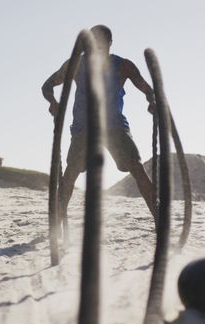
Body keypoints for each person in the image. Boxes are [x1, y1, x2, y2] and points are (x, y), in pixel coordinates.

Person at [41, 24, 157, 219]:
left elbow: (148, 89)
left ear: (110, 43)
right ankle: (57, 219)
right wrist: (53, 103)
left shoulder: (123, 65)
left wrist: (152, 101)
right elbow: (47, 85)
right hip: (83, 129)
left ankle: (158, 216)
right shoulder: (76, 64)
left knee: (136, 167)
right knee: (71, 172)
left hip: (115, 127)